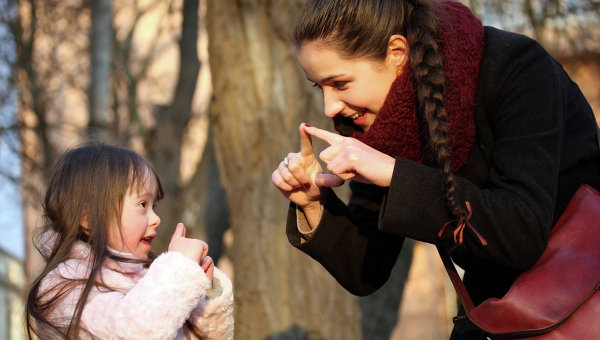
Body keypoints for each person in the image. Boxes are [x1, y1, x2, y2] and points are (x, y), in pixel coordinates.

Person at [271, 0, 600, 338]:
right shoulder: (377, 130)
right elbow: (366, 269)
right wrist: (312, 203)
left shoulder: (516, 67)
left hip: (585, 297)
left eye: (339, 84)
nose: (329, 106)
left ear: (397, 53)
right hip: (497, 313)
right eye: (318, 86)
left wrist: (394, 173)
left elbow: (522, 232)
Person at [25, 143, 234, 340]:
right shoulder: (63, 286)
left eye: (154, 206)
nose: (156, 219)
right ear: (87, 218)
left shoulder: (149, 282)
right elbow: (133, 332)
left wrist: (202, 296)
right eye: (143, 204)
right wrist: (179, 269)